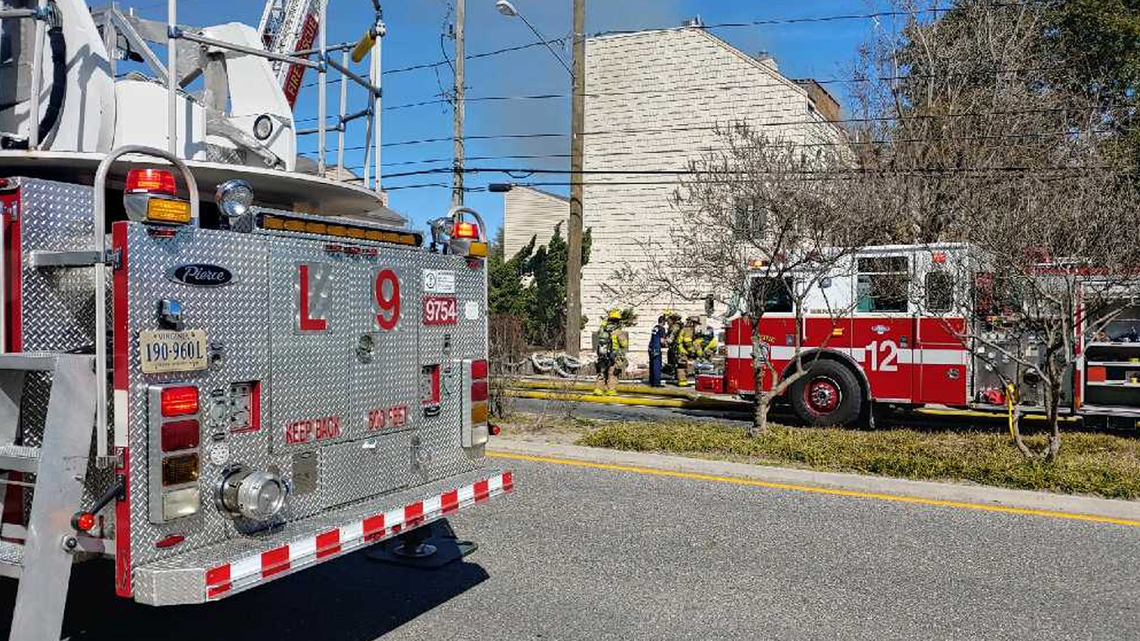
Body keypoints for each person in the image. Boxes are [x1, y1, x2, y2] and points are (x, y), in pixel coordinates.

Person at [594, 309, 631, 396]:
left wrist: (603, 325)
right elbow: (624, 344)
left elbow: (598, 335)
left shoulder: (603, 330)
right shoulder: (617, 332)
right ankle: (611, 390)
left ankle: (598, 390)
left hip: (602, 356)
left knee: (601, 373)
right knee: (613, 373)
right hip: (613, 356)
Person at [675, 316, 699, 387]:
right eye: (696, 323)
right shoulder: (688, 330)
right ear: (692, 323)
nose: (696, 325)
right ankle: (683, 382)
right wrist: (692, 351)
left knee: (681, 366)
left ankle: (682, 382)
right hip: (683, 351)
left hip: (680, 350)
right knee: (683, 366)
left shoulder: (685, 328)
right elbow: (687, 341)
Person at [649, 315, 667, 387]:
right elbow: (662, 341)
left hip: (650, 347)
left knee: (652, 365)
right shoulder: (662, 329)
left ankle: (652, 382)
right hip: (656, 349)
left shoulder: (655, 327)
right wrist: (666, 344)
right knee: (657, 366)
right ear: (663, 322)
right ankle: (657, 383)